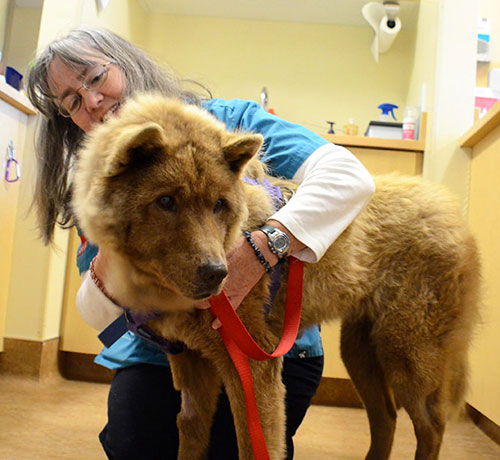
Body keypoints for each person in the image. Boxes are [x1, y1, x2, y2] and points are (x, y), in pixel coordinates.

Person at [27, 27, 375, 460]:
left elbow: (349, 176)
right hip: (163, 353)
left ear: (125, 62)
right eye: (73, 101)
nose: (92, 101)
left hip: (267, 341)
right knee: (136, 445)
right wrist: (115, 261)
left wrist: (263, 248)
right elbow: (96, 312)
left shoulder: (229, 121)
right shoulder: (101, 178)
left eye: (96, 77)